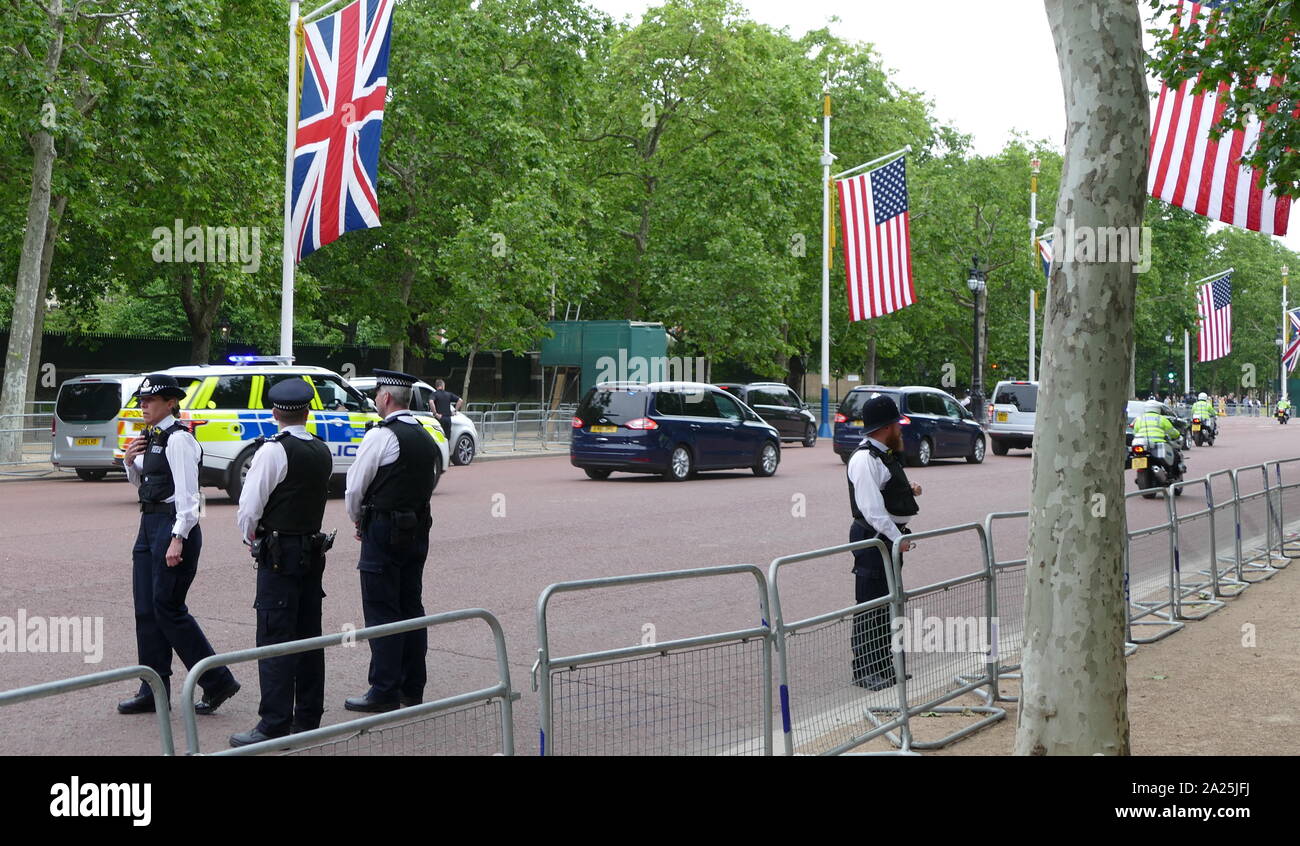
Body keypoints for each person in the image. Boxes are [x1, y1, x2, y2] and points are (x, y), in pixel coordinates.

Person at [118, 374, 240, 716]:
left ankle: (217, 681)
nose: (143, 406)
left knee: (167, 608)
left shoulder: (179, 440)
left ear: (171, 402)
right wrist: (130, 461)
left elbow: (188, 496)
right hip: (149, 524)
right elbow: (146, 485)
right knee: (146, 609)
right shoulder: (150, 437)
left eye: (150, 401)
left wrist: (177, 537)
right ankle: (152, 687)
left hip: (173, 526)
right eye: (141, 401)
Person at [229, 379, 335, 747]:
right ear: (307, 411)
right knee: (308, 636)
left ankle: (273, 722)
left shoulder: (273, 451)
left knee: (275, 635)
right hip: (312, 552)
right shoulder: (322, 450)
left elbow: (249, 508)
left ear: (275, 412)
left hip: (279, 555)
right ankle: (308, 717)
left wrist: (251, 538)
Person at [343, 369, 435, 712]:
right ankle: (412, 688)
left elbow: (354, 487)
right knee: (411, 607)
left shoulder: (381, 436)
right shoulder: (424, 435)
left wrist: (358, 519)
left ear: (384, 399)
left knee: (382, 610)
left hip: (383, 530)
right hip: (417, 529)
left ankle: (383, 690)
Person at [846, 395, 921, 691]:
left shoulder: (882, 455)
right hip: (874, 539)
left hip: (885, 538)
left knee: (886, 604)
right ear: (886, 427)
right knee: (869, 605)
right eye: (896, 424)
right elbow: (872, 510)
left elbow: (887, 493)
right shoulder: (865, 459)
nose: (900, 429)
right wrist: (897, 537)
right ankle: (864, 669)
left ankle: (883, 666)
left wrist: (909, 491)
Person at [428, 378, 464, 444]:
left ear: (436, 386)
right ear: (443, 386)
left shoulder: (434, 394)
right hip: (448, 419)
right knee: (447, 439)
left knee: (439, 438)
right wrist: (455, 411)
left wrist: (435, 413)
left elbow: (431, 402)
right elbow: (460, 400)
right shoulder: (448, 394)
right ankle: (447, 452)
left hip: (439, 419)